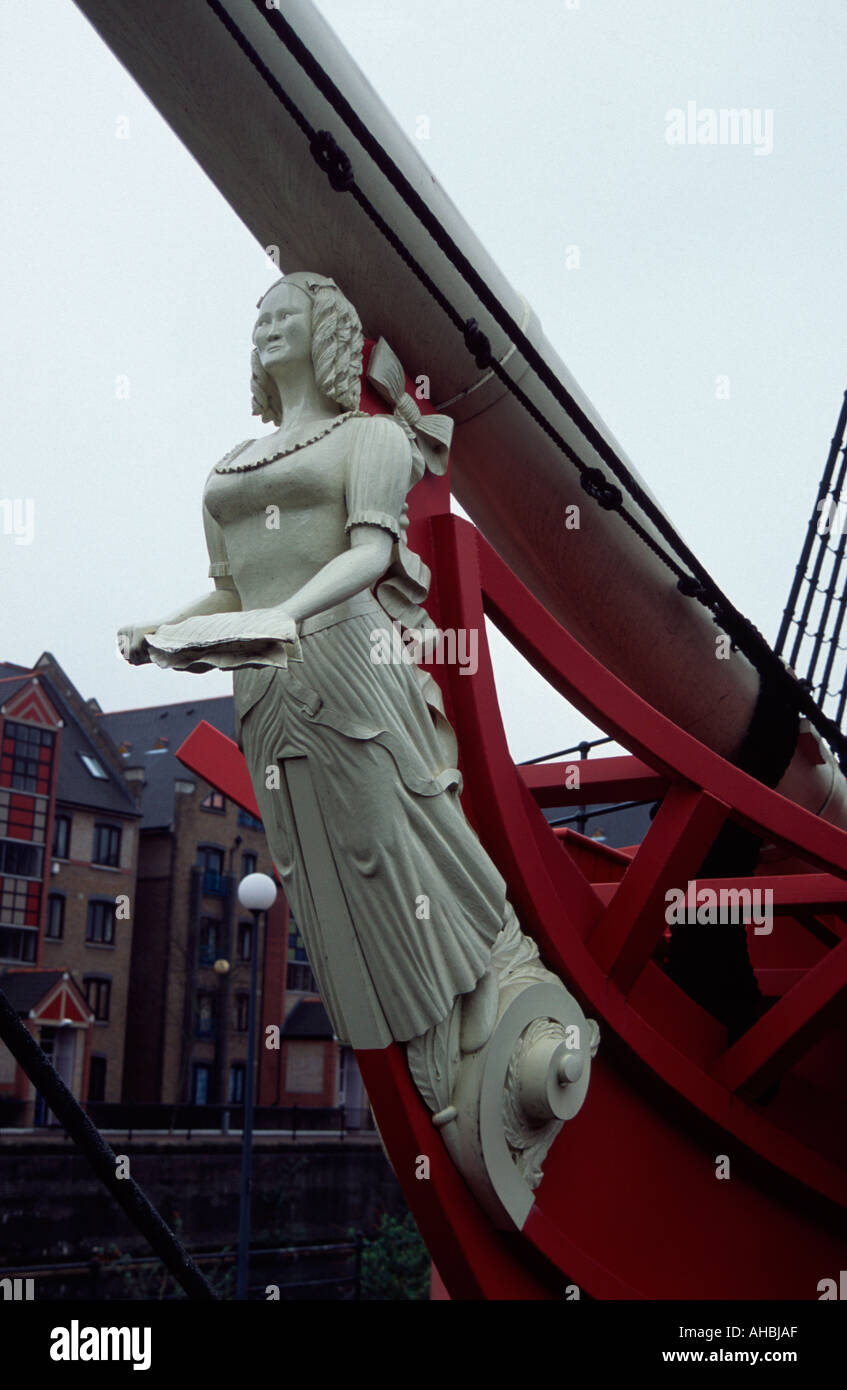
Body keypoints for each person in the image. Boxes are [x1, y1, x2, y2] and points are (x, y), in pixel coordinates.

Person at [118, 271, 509, 1055]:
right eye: (258, 317)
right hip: (259, 673)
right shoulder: (229, 466)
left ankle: (474, 972)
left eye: (285, 314)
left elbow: (372, 553)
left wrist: (288, 615)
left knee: (384, 829)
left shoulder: (373, 438)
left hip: (342, 653)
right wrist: (160, 628)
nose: (266, 327)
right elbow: (229, 591)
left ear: (326, 332)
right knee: (306, 852)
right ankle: (388, 1013)